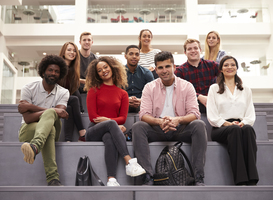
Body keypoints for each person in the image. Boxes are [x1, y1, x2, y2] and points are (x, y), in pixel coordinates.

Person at [132, 51, 207, 186]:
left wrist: (177, 120)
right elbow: (143, 114)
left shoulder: (187, 86)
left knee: (199, 125)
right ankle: (147, 176)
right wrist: (160, 121)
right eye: (160, 67)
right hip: (158, 129)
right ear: (155, 69)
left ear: (174, 67)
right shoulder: (149, 87)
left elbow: (195, 113)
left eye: (167, 66)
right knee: (138, 126)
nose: (164, 70)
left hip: (180, 128)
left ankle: (198, 178)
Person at [84, 56, 146, 186]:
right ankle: (129, 161)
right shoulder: (93, 90)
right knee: (111, 124)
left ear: (112, 68)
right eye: (99, 70)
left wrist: (111, 123)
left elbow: (123, 118)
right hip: (93, 131)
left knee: (109, 138)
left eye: (105, 67)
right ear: (97, 74)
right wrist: (112, 123)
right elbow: (93, 117)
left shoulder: (123, 94)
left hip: (110, 132)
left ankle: (111, 179)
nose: (104, 71)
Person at [207, 55, 259, 186]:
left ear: (236, 68)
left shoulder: (245, 89)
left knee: (248, 129)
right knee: (235, 130)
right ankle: (240, 179)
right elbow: (212, 115)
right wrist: (227, 124)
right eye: (226, 65)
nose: (229, 67)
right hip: (220, 128)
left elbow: (250, 113)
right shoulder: (214, 88)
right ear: (221, 69)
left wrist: (243, 123)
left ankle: (252, 179)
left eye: (232, 65)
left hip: (240, 124)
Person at [18, 55, 69, 186]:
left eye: (57, 71)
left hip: (54, 128)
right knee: (49, 126)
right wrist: (52, 110)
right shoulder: (28, 88)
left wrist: (31, 107)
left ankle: (34, 146)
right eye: (50, 70)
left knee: (52, 117)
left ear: (60, 74)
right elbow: (28, 118)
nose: (53, 73)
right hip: (27, 130)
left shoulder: (63, 92)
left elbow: (59, 114)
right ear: (43, 71)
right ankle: (53, 179)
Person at [175, 38, 220, 113]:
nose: (193, 51)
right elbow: (179, 91)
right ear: (185, 52)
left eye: (195, 48)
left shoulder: (212, 65)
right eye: (189, 49)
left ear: (200, 50)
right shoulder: (180, 71)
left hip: (215, 104)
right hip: (191, 108)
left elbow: (227, 76)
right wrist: (199, 97)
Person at [59, 42, 86, 142]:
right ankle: (82, 132)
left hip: (66, 101)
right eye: (69, 50)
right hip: (54, 98)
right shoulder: (58, 67)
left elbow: (74, 90)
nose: (72, 52)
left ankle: (68, 140)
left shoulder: (73, 69)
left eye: (74, 50)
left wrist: (81, 109)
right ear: (63, 52)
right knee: (73, 99)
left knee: (70, 108)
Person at [124, 45, 154, 113]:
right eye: (131, 54)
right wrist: (126, 100)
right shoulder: (118, 73)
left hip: (142, 104)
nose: (134, 56)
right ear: (125, 56)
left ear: (139, 57)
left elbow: (153, 94)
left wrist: (141, 101)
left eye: (137, 54)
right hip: (123, 103)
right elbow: (115, 93)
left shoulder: (147, 73)